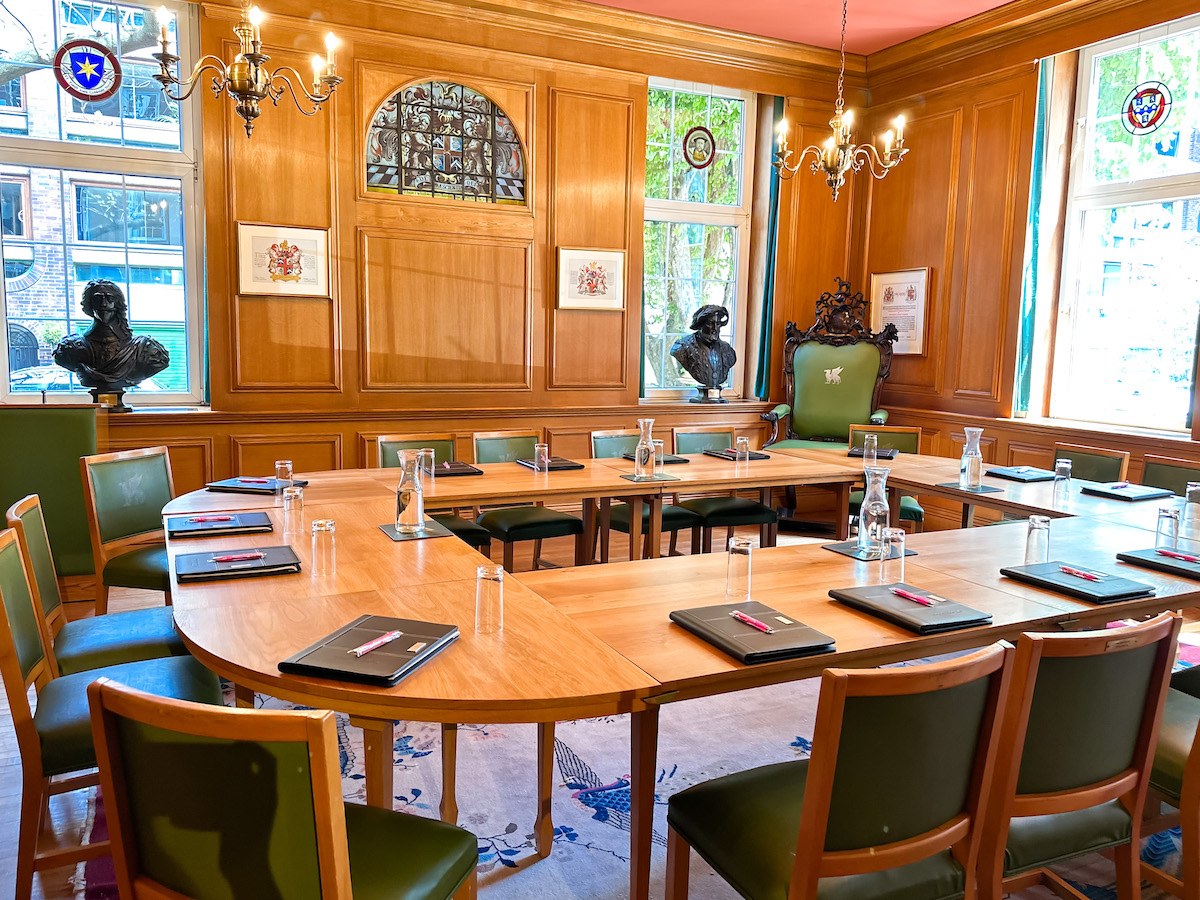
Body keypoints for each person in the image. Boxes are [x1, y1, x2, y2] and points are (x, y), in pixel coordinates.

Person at [53, 280, 169, 391]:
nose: (104, 304)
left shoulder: (144, 348)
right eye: (97, 299)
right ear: (89, 303)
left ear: (117, 303)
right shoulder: (70, 348)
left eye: (110, 298)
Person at [670, 304, 737, 392]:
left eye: (718, 324)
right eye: (710, 324)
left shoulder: (727, 350)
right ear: (701, 325)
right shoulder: (682, 347)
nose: (715, 328)